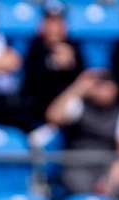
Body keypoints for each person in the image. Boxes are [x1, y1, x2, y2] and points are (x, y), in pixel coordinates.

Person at [46, 69, 119, 200]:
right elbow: (53, 116)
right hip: (78, 166)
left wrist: (111, 181)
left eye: (106, 84)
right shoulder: (79, 105)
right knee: (78, 186)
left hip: (108, 168)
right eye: (98, 84)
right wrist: (77, 88)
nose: (102, 89)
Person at [21, 0, 84, 130]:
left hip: (68, 110)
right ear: (42, 24)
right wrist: (51, 63)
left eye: (58, 22)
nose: (54, 28)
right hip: (38, 113)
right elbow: (30, 84)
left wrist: (71, 65)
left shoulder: (74, 47)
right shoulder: (35, 47)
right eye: (50, 21)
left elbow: (83, 77)